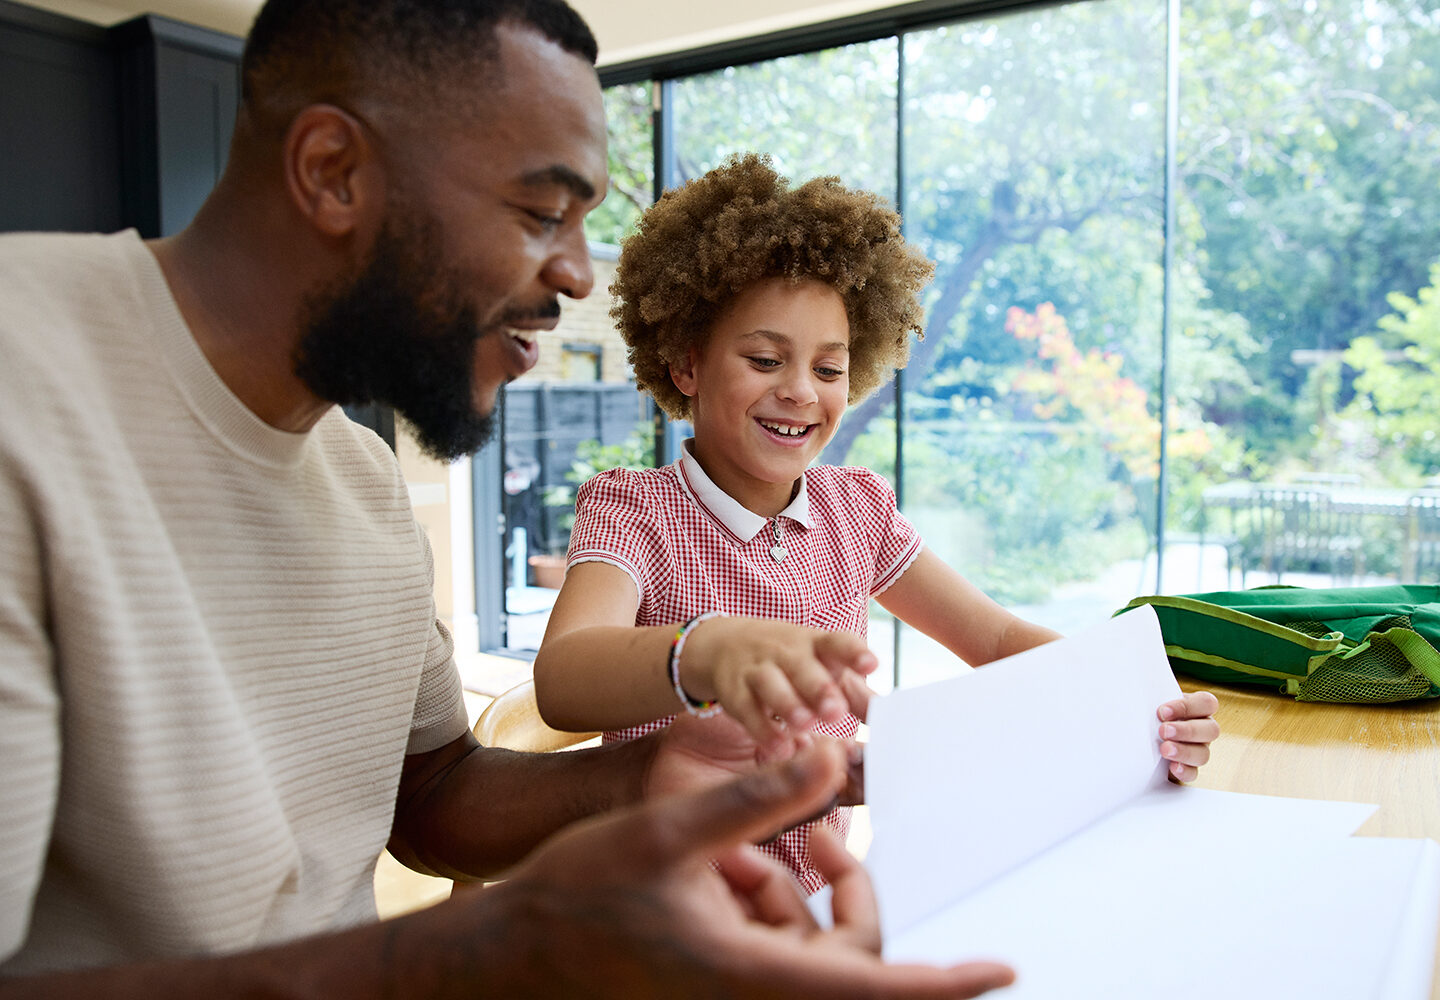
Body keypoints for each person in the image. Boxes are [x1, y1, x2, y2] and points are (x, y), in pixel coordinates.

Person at [0, 2, 1020, 997]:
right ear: (332, 171)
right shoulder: (23, 389)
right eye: (542, 213)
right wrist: (487, 950)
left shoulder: (357, 477)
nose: (579, 275)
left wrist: (659, 777)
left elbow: (436, 801)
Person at [531, 154, 1221, 892]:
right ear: (685, 363)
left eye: (829, 370)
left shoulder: (855, 509)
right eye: (765, 359)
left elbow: (992, 638)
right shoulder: (636, 509)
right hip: (662, 904)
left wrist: (1137, 705)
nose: (799, 391)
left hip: (814, 899)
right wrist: (706, 649)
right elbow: (564, 678)